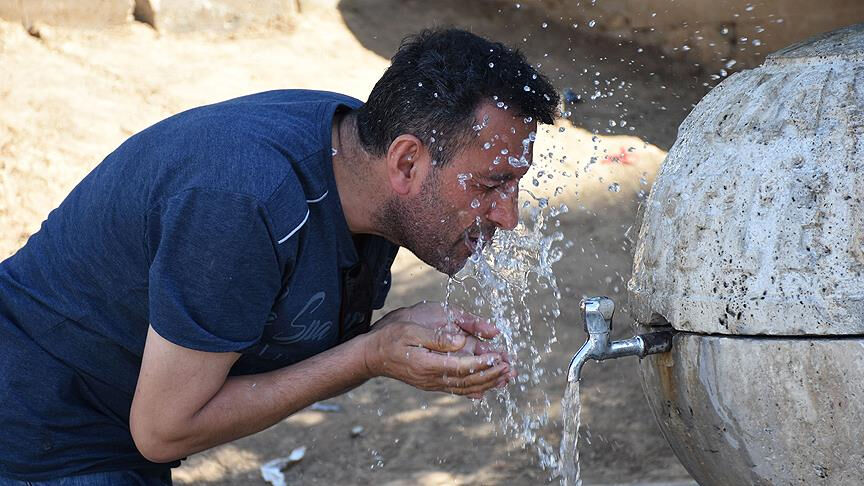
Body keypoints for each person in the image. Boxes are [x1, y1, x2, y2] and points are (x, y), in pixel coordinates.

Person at [0, 28, 559, 485]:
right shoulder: (244, 203)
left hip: (105, 425)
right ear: (407, 163)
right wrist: (370, 355)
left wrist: (387, 341)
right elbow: (165, 428)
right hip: (39, 431)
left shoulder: (360, 160)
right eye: (491, 183)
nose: (507, 215)